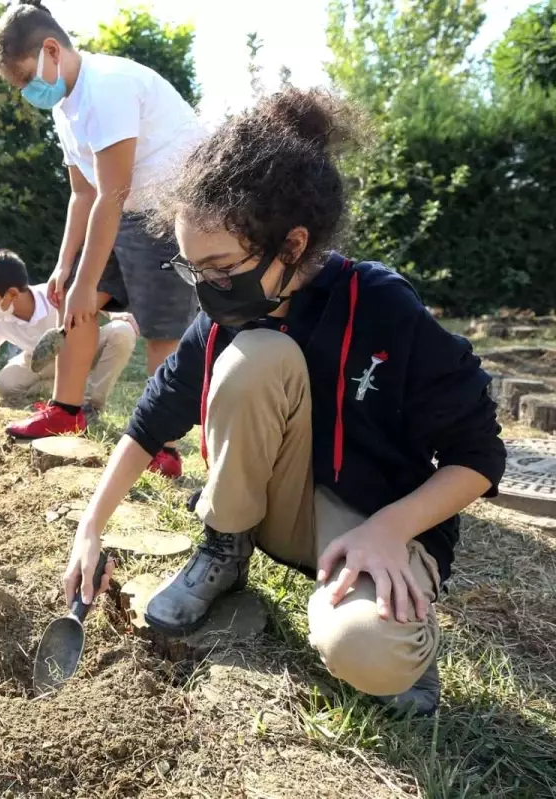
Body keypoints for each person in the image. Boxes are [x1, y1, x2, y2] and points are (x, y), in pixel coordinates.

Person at [63, 89, 506, 717]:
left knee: (368, 653)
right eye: (194, 270)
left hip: (375, 526)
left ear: (292, 245)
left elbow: (480, 457)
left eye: (221, 267)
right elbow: (148, 424)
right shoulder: (225, 321)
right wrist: (90, 526)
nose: (208, 289)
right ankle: (225, 550)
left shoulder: (383, 306)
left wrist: (389, 529)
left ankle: (408, 639)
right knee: (257, 357)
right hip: (280, 515)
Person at [0, 0, 205, 476]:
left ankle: (161, 446)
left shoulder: (107, 87)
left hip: (171, 212)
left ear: (51, 49)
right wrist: (66, 267)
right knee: (72, 298)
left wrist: (88, 281)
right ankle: (66, 413)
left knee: (162, 332)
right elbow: (82, 192)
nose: (26, 92)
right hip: (123, 206)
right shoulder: (65, 105)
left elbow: (112, 191)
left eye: (25, 79)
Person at [0, 250, 135, 420]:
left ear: (12, 293)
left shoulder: (54, 296)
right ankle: (62, 387)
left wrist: (117, 315)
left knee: (122, 332)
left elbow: (85, 299)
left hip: (80, 350)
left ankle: (91, 404)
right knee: (6, 386)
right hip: (38, 357)